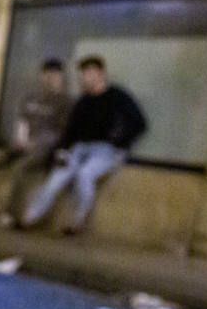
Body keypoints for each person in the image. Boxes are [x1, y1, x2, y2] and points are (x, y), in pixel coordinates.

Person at [21, 55, 146, 234]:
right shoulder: (83, 101)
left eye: (87, 74)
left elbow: (139, 123)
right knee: (57, 176)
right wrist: (63, 150)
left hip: (105, 150)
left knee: (84, 175)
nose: (83, 79)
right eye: (82, 75)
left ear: (100, 73)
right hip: (79, 148)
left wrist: (120, 144)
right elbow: (71, 131)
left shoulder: (118, 96)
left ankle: (76, 222)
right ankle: (29, 217)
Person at [0, 59, 72, 226]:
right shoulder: (31, 97)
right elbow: (22, 121)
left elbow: (60, 132)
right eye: (47, 74)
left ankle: (10, 214)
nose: (50, 79)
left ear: (60, 77)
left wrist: (36, 143)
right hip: (23, 144)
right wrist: (20, 138)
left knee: (20, 168)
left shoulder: (65, 102)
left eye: (54, 75)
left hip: (44, 149)